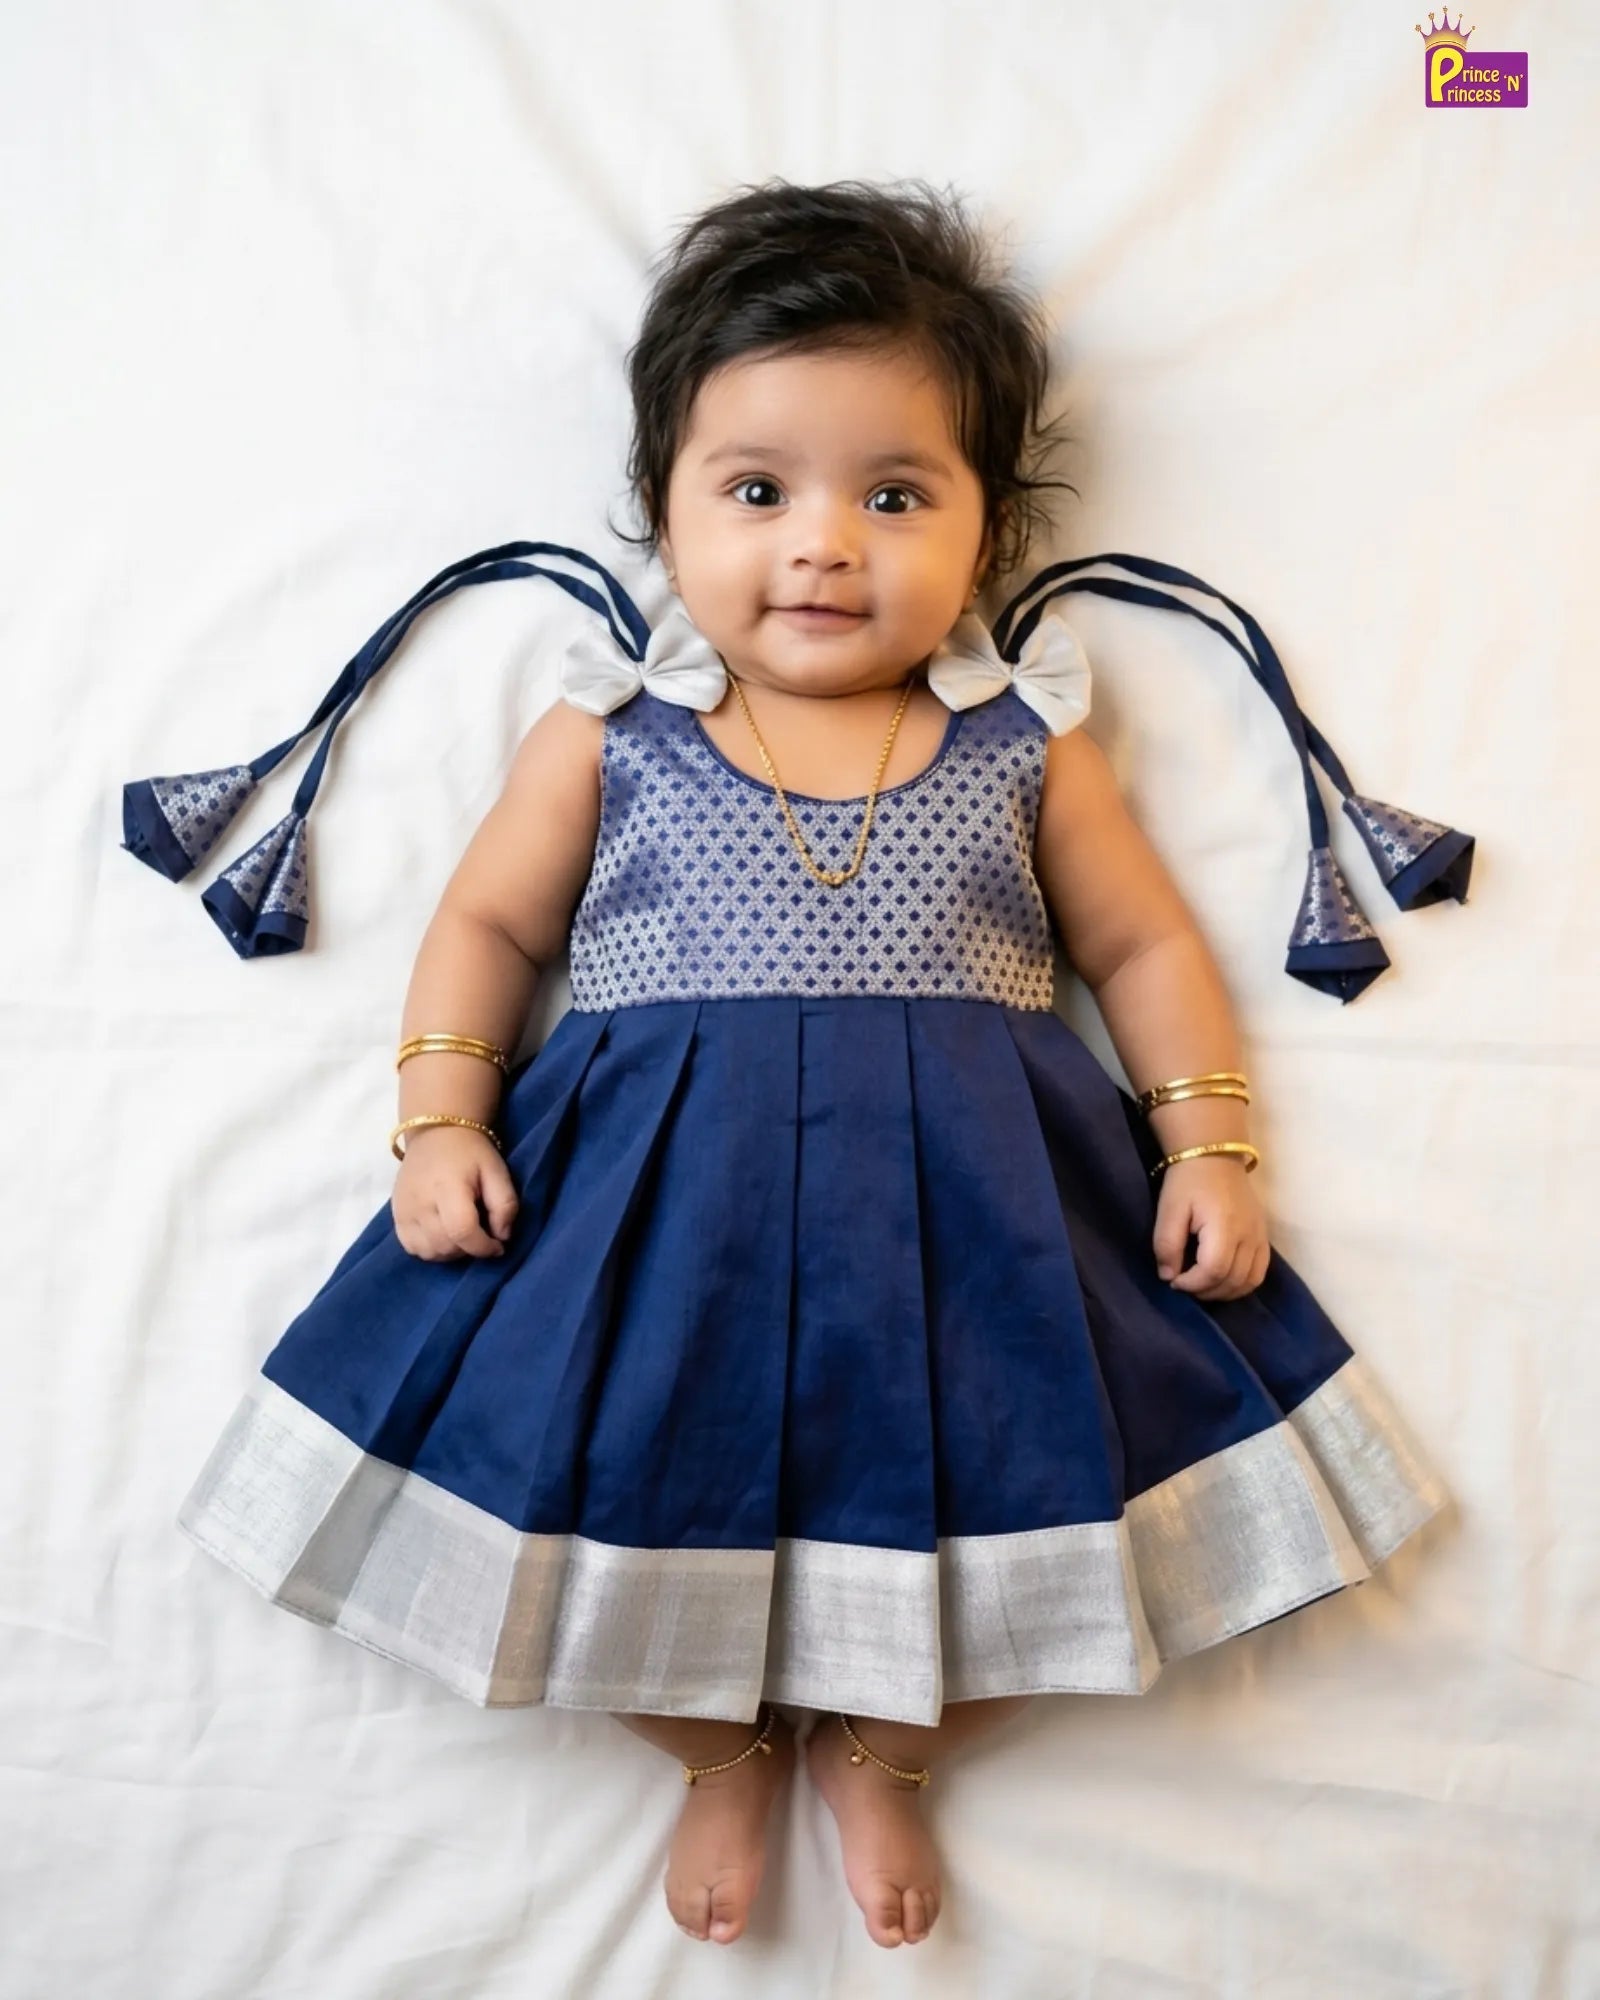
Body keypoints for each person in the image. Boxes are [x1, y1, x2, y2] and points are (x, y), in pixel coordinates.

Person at [166, 177, 1452, 1953]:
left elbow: (1145, 946)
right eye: (757, 492)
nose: (823, 544)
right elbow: (486, 932)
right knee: (601, 1483)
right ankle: (709, 1749)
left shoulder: (1024, 743)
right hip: (650, 1214)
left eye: (895, 495)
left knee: (1015, 1486)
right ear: (665, 517)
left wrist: (1212, 1148)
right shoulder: (615, 732)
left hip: (980, 1210)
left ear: (986, 530)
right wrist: (440, 1115)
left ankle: (883, 1743)